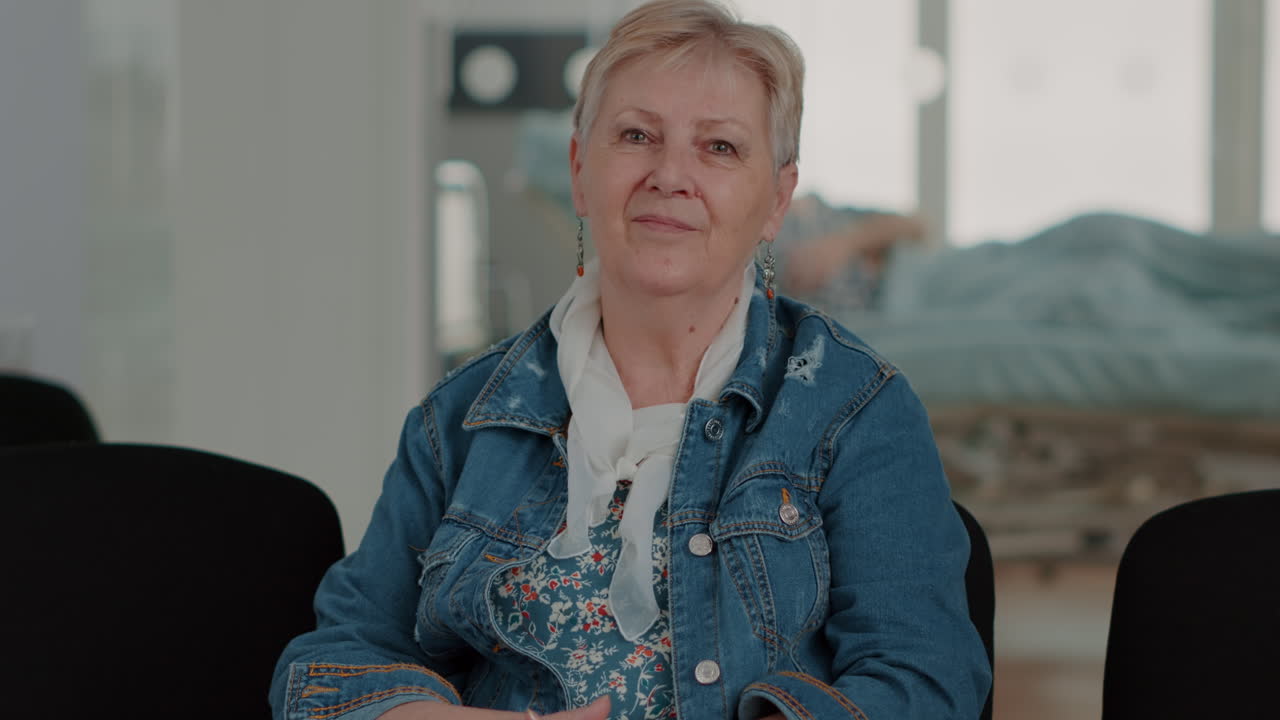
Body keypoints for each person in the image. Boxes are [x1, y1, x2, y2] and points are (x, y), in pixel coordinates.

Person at [270, 1, 990, 718]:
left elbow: (927, 679)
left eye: (719, 147)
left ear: (777, 199)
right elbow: (332, 667)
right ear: (581, 171)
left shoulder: (855, 408)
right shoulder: (460, 418)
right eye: (637, 135)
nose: (670, 174)